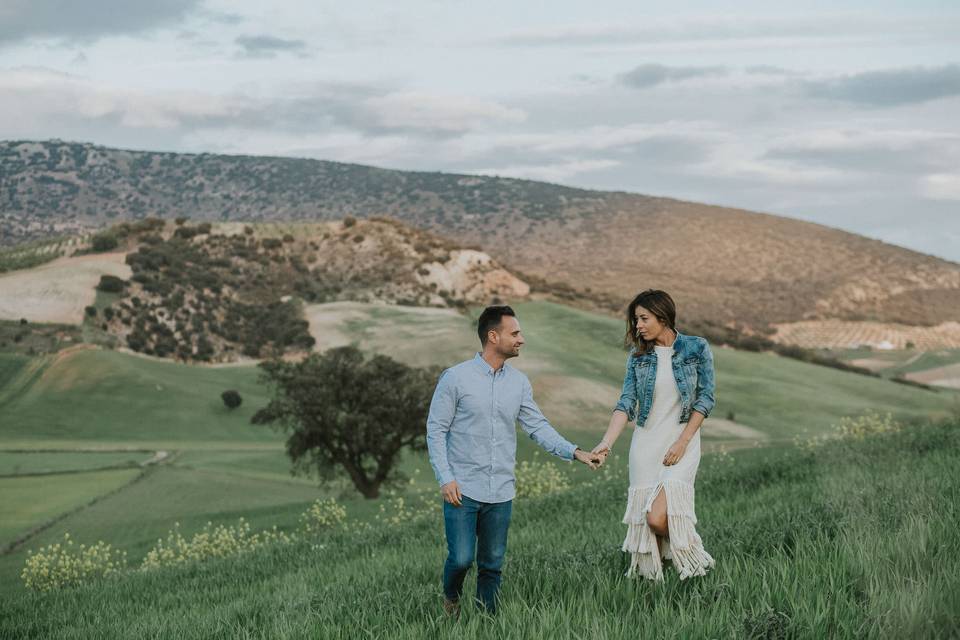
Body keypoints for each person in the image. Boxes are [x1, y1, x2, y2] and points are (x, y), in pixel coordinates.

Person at [426, 305, 603, 616]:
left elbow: (538, 426)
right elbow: (436, 430)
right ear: (493, 336)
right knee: (462, 559)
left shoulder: (519, 383)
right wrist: (445, 477)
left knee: (492, 564)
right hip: (462, 488)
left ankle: (486, 622)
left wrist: (576, 452)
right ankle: (451, 597)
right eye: (515, 333)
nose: (521, 339)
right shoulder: (455, 378)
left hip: (501, 490)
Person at [592, 289, 716, 581]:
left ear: (663, 316)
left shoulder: (696, 348)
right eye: (636, 320)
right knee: (649, 529)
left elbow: (706, 399)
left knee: (656, 517)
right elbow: (625, 403)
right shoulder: (638, 358)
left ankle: (695, 556)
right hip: (646, 446)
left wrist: (682, 442)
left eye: (643, 318)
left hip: (681, 443)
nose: (638, 326)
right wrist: (606, 442)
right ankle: (658, 588)